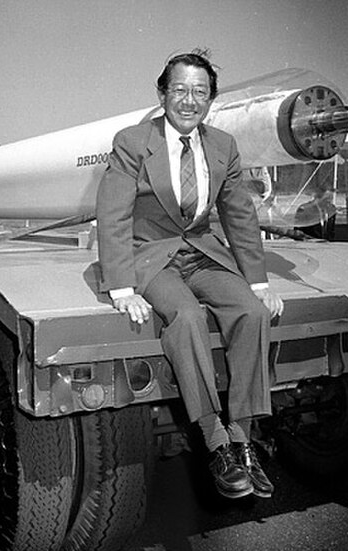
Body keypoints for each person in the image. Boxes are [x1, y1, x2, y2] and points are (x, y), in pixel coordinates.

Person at [96, 49, 284, 500]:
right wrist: (122, 288)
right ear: (162, 94)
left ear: (210, 100)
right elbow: (114, 213)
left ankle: (242, 437)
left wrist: (258, 283)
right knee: (187, 317)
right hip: (150, 256)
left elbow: (239, 214)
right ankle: (214, 441)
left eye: (199, 92)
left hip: (200, 252)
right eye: (179, 89)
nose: (188, 100)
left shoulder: (223, 146)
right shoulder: (132, 141)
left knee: (251, 313)